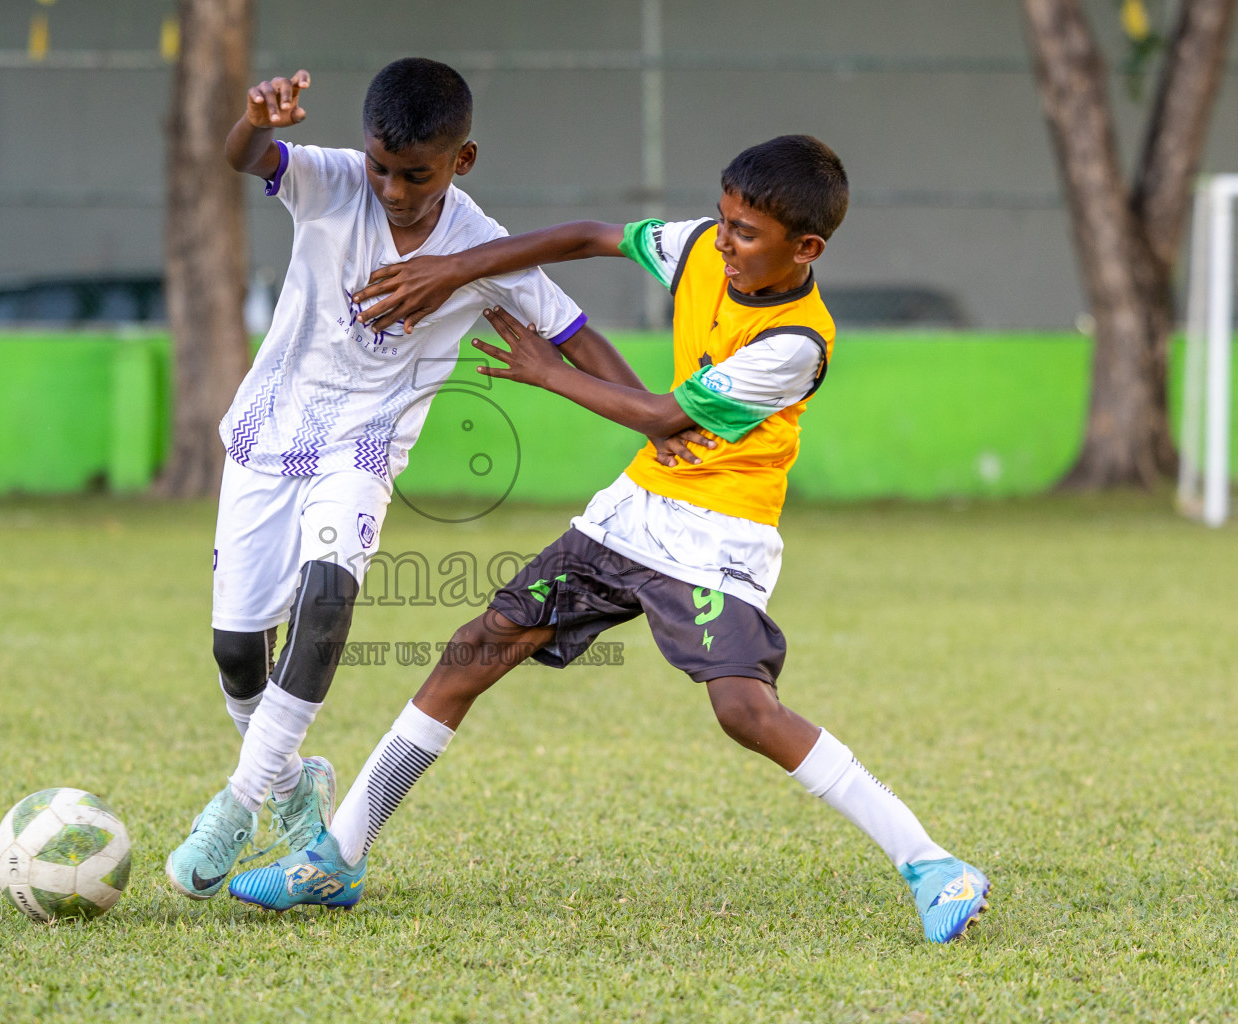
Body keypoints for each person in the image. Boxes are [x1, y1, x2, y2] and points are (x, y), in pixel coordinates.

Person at [225, 136, 991, 944]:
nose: (725, 243)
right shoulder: (701, 246)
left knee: (742, 709)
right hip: (630, 515)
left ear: (807, 249)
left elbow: (665, 416)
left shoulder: (797, 345)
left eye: (747, 235)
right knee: (475, 649)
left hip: (718, 536)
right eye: (725, 221)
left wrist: (547, 369)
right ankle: (336, 858)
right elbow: (594, 235)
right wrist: (458, 267)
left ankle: (932, 863)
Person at [165, 57, 700, 900]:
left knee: (328, 593)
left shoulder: (485, 247)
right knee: (237, 651)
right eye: (383, 166)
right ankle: (290, 783)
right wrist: (256, 120)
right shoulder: (336, 182)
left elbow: (575, 333)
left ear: (463, 160)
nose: (394, 189)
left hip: (365, 445)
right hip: (269, 430)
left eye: (416, 175)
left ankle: (236, 803)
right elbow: (246, 159)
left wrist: (655, 418)